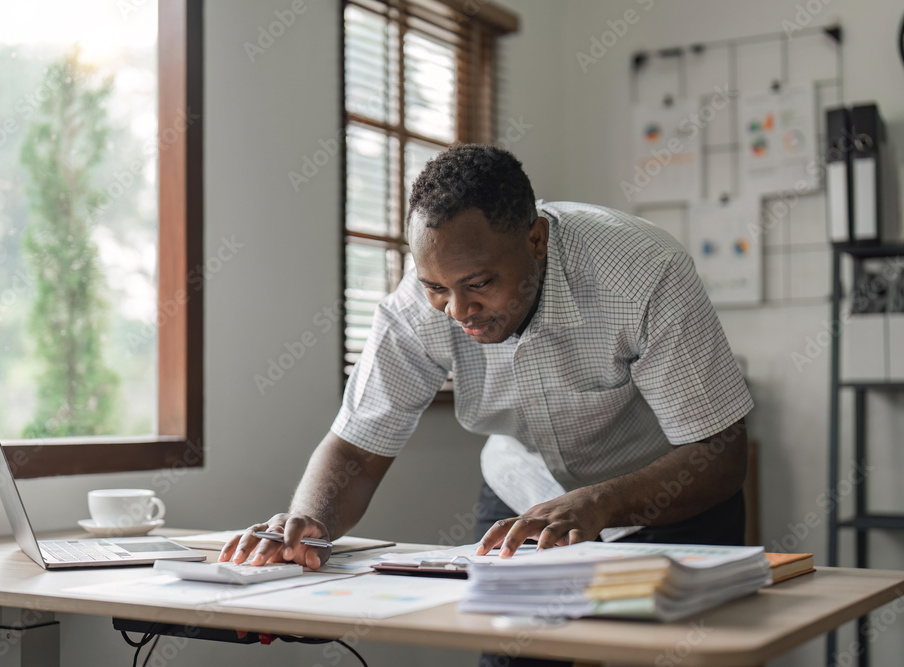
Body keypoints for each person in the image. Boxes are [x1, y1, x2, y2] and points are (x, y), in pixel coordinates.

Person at [221, 142, 752, 600]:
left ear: (536, 240)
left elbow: (720, 451)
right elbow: (357, 452)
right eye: (435, 287)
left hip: (670, 498)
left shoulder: (642, 271)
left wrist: (602, 501)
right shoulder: (414, 309)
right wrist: (308, 523)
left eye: (478, 284)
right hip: (523, 502)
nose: (456, 310)